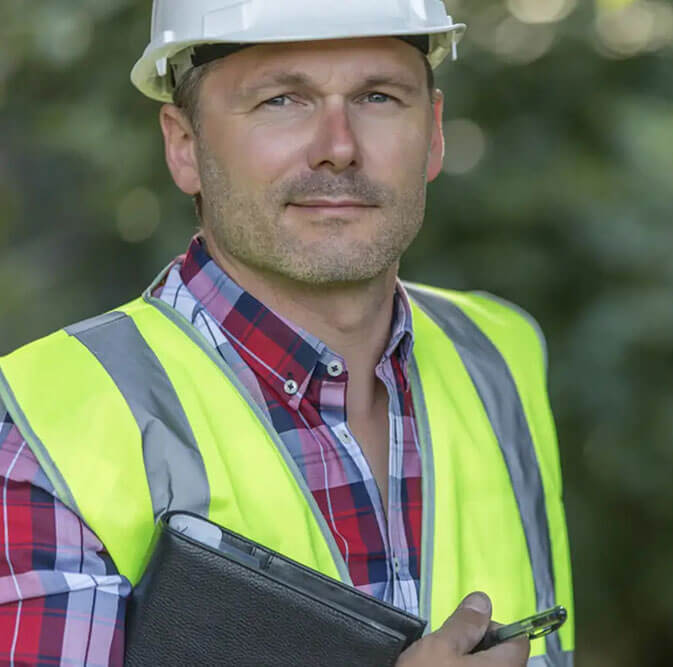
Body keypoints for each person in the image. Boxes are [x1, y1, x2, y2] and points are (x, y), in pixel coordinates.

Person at [0, 1, 574, 664]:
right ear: (184, 145)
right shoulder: (47, 428)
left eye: (379, 96)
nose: (338, 147)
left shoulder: (500, 354)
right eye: (281, 100)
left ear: (435, 131)